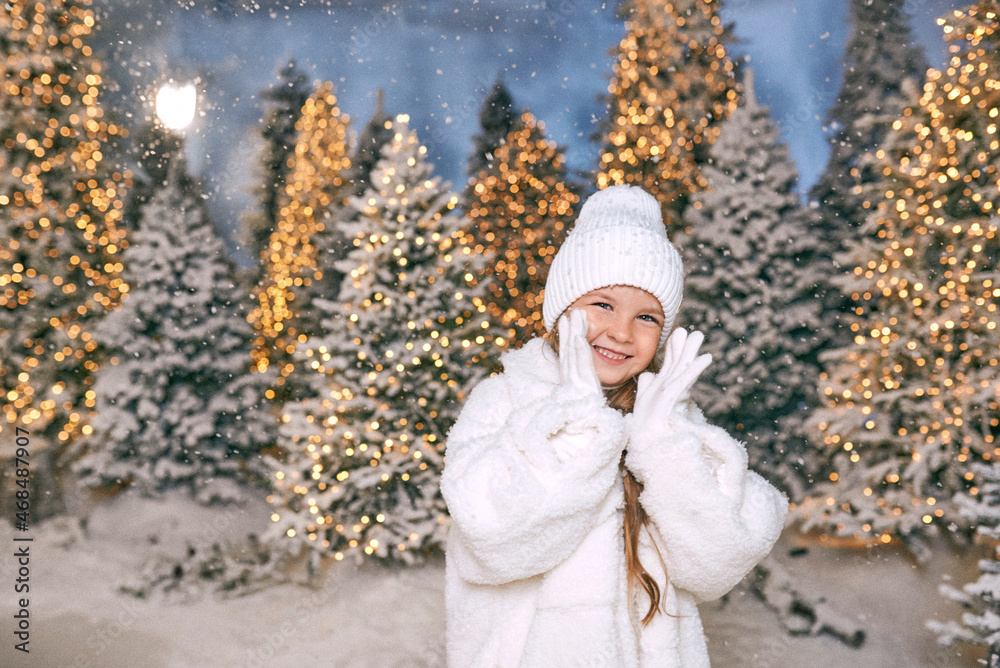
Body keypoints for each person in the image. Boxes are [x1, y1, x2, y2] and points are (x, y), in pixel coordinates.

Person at [440, 184, 788, 667]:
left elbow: (716, 564)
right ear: (562, 307)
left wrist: (666, 447)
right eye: (603, 304)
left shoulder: (667, 418)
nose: (622, 332)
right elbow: (493, 543)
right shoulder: (505, 400)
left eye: (647, 316)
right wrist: (579, 429)